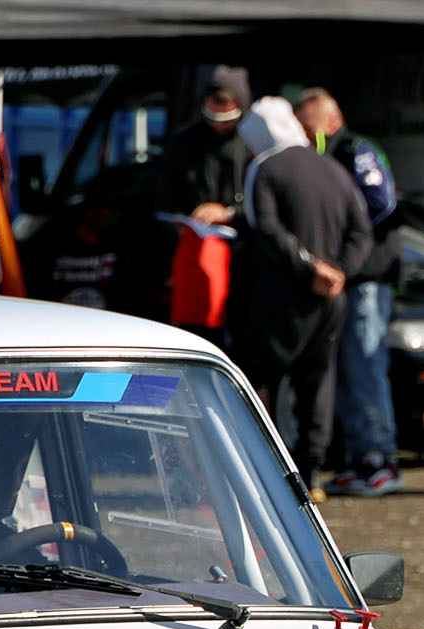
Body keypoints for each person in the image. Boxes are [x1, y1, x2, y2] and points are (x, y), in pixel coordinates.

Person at [231, 96, 374, 494]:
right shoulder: (333, 168)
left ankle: (272, 472)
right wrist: (340, 271)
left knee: (268, 381)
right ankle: (311, 474)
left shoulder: (265, 168)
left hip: (282, 297)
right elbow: (362, 232)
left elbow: (267, 230)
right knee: (318, 382)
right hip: (331, 299)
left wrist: (311, 268)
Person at [297, 88, 403, 497]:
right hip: (343, 278)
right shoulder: (318, 157)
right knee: (343, 371)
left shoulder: (357, 151)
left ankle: (379, 459)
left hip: (367, 277)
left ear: (331, 119)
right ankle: (358, 457)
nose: (306, 135)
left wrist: (344, 241)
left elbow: (382, 204)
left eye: (309, 126)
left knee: (365, 367)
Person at [159, 66, 253, 343]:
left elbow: (265, 204)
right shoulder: (186, 141)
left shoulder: (250, 141)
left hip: (244, 257)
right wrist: (180, 222)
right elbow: (166, 198)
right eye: (212, 116)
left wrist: (228, 213)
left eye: (228, 118)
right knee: (197, 330)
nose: (219, 125)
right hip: (196, 251)